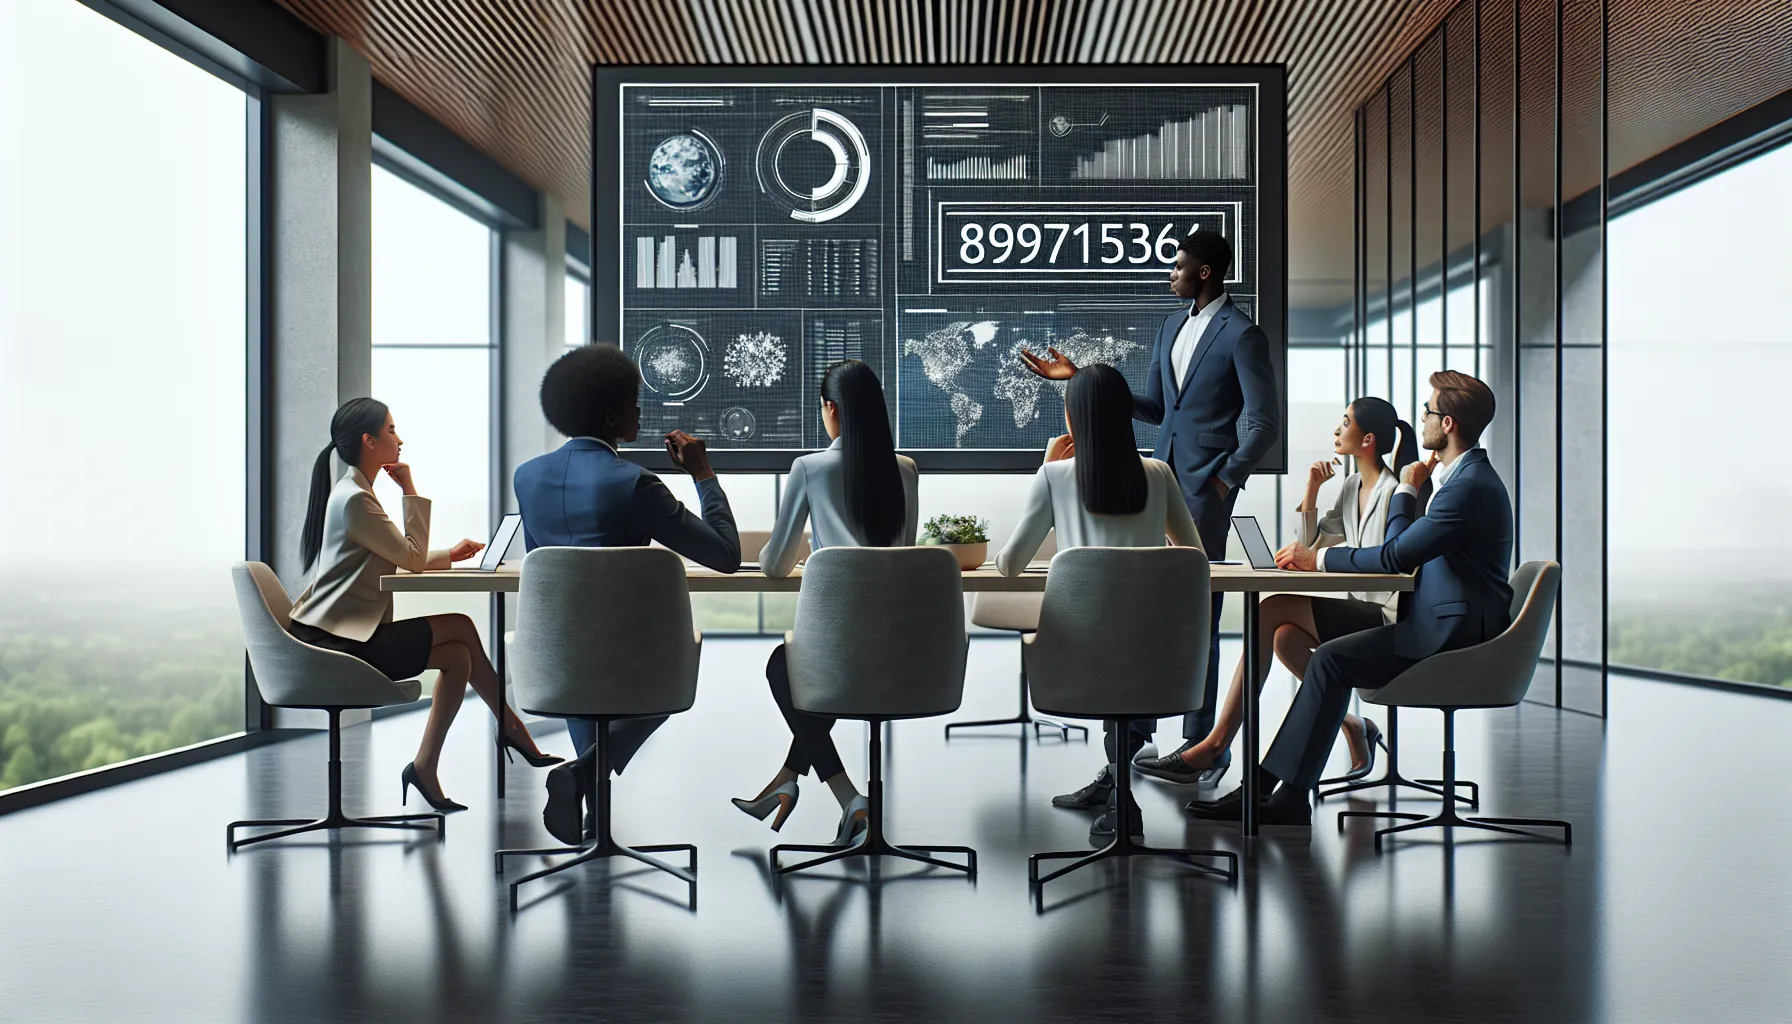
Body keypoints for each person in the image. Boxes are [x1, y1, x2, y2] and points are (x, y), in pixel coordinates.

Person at [1191, 371, 1513, 826]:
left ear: (1448, 424)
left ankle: (1271, 789)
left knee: (1330, 660)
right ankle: (1275, 790)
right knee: (1301, 637)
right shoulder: (1464, 479)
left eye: (1428, 411)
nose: (1422, 418)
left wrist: (1404, 491)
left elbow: (1395, 555)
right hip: (1436, 620)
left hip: (1447, 633)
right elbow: (1397, 549)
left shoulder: (1466, 487)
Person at [1020, 229, 1279, 789]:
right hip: (1154, 482)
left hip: (1203, 490)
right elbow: (1159, 409)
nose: (1170, 274)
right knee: (1135, 608)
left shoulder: (1243, 335)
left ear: (1205, 272)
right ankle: (1125, 753)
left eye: (1178, 266)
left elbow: (1264, 425)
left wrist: (1224, 482)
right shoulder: (1170, 327)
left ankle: (1199, 744)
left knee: (1197, 613)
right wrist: (1082, 380)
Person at [514, 344, 742, 844]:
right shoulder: (635, 483)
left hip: (552, 657)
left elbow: (550, 573)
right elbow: (726, 555)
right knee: (667, 668)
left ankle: (590, 802)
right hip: (629, 662)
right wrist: (702, 473)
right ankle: (582, 775)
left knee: (578, 661)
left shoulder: (526, 477)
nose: (641, 412)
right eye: (634, 404)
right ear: (612, 415)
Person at [288, 398, 559, 812]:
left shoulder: (353, 492)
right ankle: (509, 725)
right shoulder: (356, 499)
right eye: (391, 430)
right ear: (369, 441)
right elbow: (412, 559)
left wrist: (450, 554)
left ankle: (426, 765)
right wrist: (409, 489)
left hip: (339, 634)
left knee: (457, 656)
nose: (399, 439)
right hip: (337, 643)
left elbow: (398, 555)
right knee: (461, 626)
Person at [1135, 397, 1422, 785]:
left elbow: (1388, 558)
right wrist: (1312, 489)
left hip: (1386, 615)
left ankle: (1216, 743)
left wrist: (1316, 558)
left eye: (1345, 422)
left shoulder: (1394, 491)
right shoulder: (1353, 485)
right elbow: (1313, 542)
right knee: (1285, 638)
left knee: (1268, 611)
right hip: (1361, 606)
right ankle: (1352, 723)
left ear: (1368, 439)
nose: (1337, 430)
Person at [995, 364, 1204, 842]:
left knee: (1104, 644)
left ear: (1074, 417)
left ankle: (1120, 797)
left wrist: (1044, 466)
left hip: (1081, 654)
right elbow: (1193, 556)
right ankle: (1115, 784)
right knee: (1128, 650)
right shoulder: (1158, 473)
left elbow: (1009, 565)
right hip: (1157, 653)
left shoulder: (1055, 475)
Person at [732, 360, 919, 847]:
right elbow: (904, 555)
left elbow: (775, 565)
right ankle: (800, 786)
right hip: (905, 651)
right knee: (814, 667)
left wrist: (815, 553)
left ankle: (845, 796)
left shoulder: (809, 469)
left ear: (831, 409)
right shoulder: (906, 471)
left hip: (841, 653)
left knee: (787, 667)